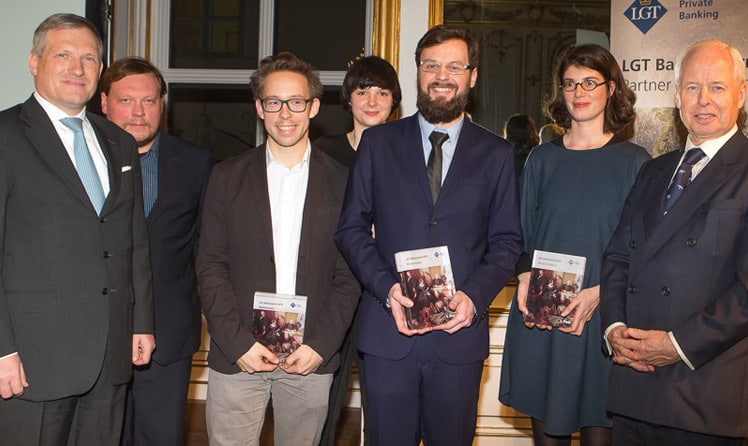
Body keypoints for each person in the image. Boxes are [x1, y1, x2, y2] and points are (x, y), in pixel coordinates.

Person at [335, 25, 522, 445]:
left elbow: (508, 242)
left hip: (459, 337)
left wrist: (474, 297)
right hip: (389, 331)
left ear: (472, 76)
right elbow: (349, 229)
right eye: (431, 65)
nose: (442, 75)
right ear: (418, 73)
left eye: (455, 66)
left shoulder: (497, 154)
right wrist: (387, 288)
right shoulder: (377, 144)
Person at [0, 13, 155, 445]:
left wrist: (140, 322)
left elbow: (133, 241)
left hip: (110, 355)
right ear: (34, 62)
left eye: (89, 58)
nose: (77, 68)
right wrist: (2, 350)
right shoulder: (5, 136)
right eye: (63, 55)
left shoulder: (119, 142)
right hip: (33, 360)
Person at [196, 51, 360, 446]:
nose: (285, 113)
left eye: (296, 102)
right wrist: (238, 344)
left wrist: (321, 346)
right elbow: (210, 266)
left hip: (309, 359)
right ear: (259, 108)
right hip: (239, 357)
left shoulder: (344, 183)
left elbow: (349, 275)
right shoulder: (225, 176)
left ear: (314, 107)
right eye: (274, 102)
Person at [499, 44, 650, 446]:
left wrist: (600, 294)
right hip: (544, 320)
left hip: (603, 320)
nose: (579, 92)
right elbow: (519, 237)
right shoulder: (540, 160)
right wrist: (524, 275)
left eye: (589, 82)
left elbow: (644, 252)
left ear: (611, 88)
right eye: (570, 83)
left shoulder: (637, 162)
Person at [600, 39, 748, 446]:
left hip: (704, 395)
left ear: (741, 92)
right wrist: (614, 329)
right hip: (633, 388)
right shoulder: (653, 171)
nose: (703, 100)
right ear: (676, 94)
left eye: (717, 87)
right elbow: (616, 257)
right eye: (691, 87)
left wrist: (676, 345)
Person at [99, 57, 213, 446]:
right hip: (92, 336)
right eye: (126, 101)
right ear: (104, 103)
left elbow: (207, 250)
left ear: (162, 105)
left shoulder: (197, 164)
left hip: (168, 334)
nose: (138, 112)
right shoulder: (79, 163)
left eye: (148, 101)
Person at [315, 55, 401, 446]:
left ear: (394, 101)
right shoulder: (321, 154)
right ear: (347, 98)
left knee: (383, 406)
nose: (371, 100)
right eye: (362, 90)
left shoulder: (407, 154)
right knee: (321, 403)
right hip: (328, 288)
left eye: (382, 92)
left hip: (383, 293)